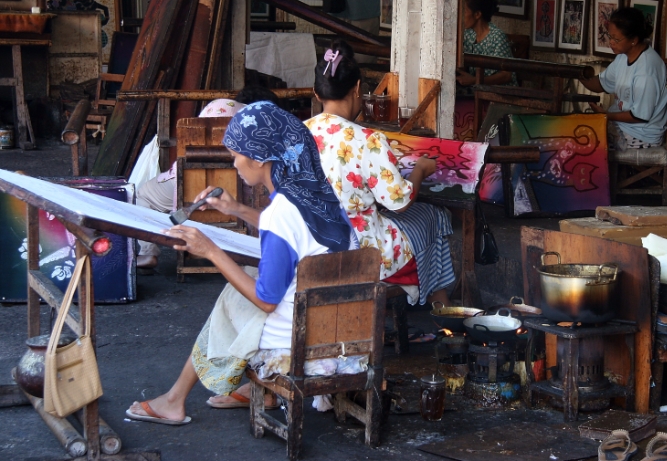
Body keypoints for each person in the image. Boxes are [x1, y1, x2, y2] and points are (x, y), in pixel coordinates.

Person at [126, 102, 357, 425]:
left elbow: (265, 300)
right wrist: (236, 209)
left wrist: (211, 251)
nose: (233, 163)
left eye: (236, 154)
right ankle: (248, 391)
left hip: (301, 337)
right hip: (341, 325)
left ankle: (175, 399)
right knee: (246, 275)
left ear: (260, 158)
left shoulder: (281, 214)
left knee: (233, 295)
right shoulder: (318, 195)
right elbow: (295, 234)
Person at [305, 39, 455, 306]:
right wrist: (420, 169)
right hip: (363, 253)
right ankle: (440, 304)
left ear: (317, 93)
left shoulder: (297, 134)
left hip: (309, 247)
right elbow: (399, 203)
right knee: (433, 216)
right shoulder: (367, 139)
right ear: (358, 88)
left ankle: (439, 304)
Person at [136, 87, 282, 271]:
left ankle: (148, 252)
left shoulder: (220, 107)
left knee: (143, 195)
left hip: (193, 180)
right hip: (240, 187)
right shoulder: (268, 123)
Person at [578, 7, 667, 150]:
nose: (611, 42)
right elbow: (601, 84)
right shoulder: (622, 57)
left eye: (616, 39)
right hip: (621, 126)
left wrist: (606, 116)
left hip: (641, 135)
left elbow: (639, 116)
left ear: (633, 40)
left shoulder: (646, 71)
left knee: (587, 146)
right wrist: (577, 73)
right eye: (610, 36)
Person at [456, 0, 517, 87]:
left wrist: (474, 80)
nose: (460, 15)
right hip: (476, 92)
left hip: (499, 96)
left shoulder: (497, 37)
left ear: (477, 14)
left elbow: (506, 75)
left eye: (464, 11)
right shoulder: (468, 34)